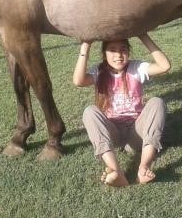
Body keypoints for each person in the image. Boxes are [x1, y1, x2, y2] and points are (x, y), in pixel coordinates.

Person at [73, 34, 171, 187]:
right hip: (114, 134)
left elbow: (165, 66)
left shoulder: (135, 68)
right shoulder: (99, 71)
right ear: (104, 54)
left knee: (157, 102)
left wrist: (143, 35)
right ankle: (116, 171)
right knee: (89, 111)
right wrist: (86, 45)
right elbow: (78, 81)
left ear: (129, 52)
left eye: (123, 50)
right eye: (112, 50)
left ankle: (143, 168)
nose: (118, 55)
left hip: (136, 133)